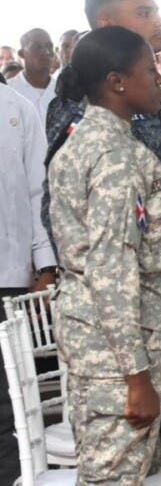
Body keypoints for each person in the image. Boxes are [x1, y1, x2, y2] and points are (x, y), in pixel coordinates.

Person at [43, 0, 161, 460]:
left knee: (132, 467)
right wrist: (136, 376)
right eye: (149, 72)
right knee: (116, 472)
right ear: (116, 82)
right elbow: (109, 266)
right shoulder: (110, 152)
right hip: (118, 343)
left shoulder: (115, 135)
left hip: (135, 328)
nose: (159, 80)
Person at [0, 60, 58, 486]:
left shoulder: (16, 108)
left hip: (8, 275)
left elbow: (39, 192)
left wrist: (46, 263)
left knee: (8, 402)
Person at [8, 28, 57, 121]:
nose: (46, 51)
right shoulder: (8, 91)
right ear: (22, 54)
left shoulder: (64, 91)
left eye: (49, 46)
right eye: (37, 47)